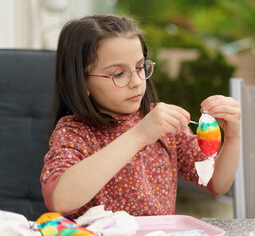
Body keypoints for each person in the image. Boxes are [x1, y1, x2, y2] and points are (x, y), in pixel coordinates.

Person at [40, 14, 241, 218]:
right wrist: (140, 135)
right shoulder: (75, 132)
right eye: (118, 74)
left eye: (140, 67)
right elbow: (60, 200)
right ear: (82, 83)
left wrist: (232, 137)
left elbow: (216, 182)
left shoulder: (163, 124)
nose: (136, 81)